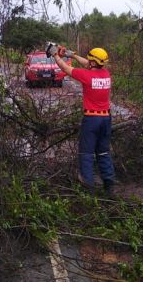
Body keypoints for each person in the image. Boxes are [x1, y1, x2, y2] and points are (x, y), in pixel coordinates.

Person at [53, 46, 115, 196]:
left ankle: (89, 187)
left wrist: (56, 55)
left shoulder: (86, 76)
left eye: (90, 61)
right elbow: (89, 63)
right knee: (103, 152)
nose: (87, 62)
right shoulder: (106, 74)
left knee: (86, 153)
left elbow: (65, 69)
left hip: (92, 119)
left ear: (92, 63)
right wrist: (72, 55)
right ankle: (109, 185)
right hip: (106, 119)